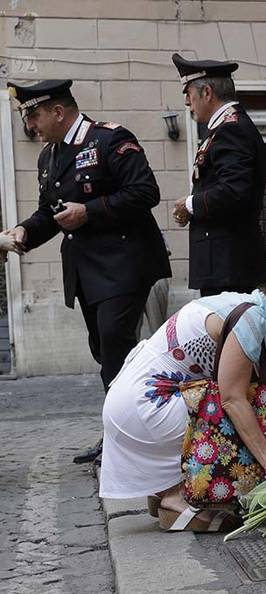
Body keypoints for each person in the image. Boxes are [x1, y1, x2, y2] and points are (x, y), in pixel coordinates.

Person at [98, 263, 266, 532]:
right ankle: (174, 498)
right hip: (145, 406)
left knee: (263, 400)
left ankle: (167, 488)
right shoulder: (250, 319)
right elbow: (233, 399)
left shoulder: (261, 313)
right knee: (251, 405)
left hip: (138, 402)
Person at [0, 79, 171, 464]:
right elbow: (51, 212)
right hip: (87, 273)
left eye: (34, 116)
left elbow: (145, 192)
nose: (31, 126)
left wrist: (88, 212)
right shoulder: (49, 157)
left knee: (115, 344)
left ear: (58, 111)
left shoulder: (110, 140)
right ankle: (120, 432)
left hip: (125, 265)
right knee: (104, 352)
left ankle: (130, 440)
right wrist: (27, 230)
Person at [169, 54, 266, 297]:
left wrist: (190, 204)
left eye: (189, 93)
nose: (186, 102)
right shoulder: (223, 129)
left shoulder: (231, 129)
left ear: (207, 93)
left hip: (230, 265)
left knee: (232, 333)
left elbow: (235, 191)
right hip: (224, 264)